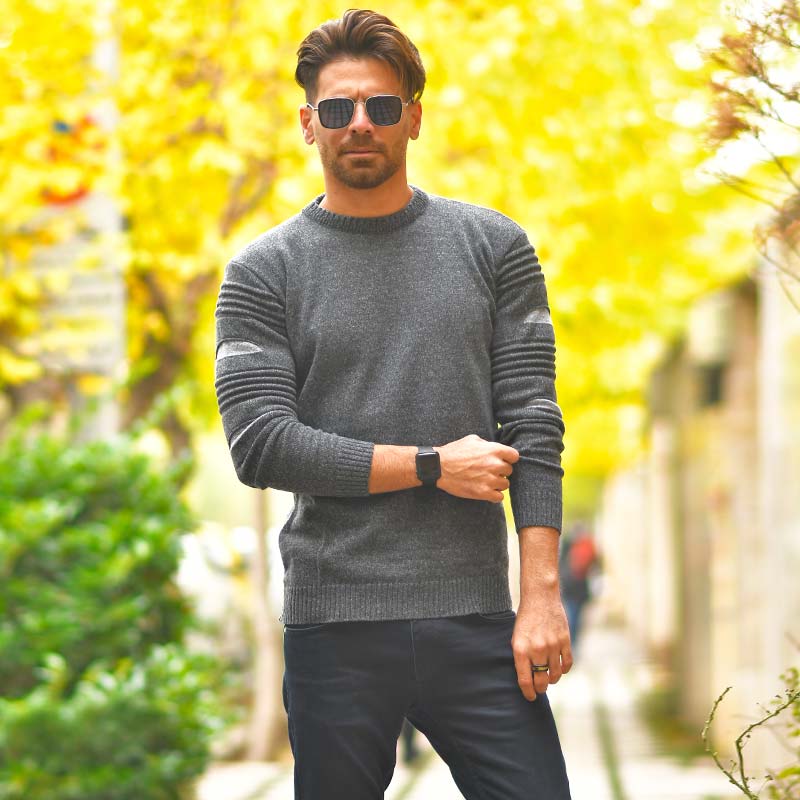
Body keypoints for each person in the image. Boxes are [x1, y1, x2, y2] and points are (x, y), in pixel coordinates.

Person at [214, 9, 573, 799]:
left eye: (381, 105)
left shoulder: (495, 247)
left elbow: (534, 423)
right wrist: (431, 466)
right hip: (334, 625)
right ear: (308, 123)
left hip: (477, 618)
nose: (360, 124)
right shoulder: (262, 272)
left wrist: (541, 594)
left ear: (413, 117)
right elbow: (261, 443)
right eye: (337, 108)